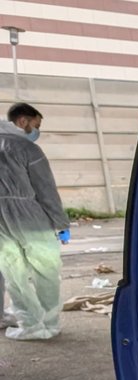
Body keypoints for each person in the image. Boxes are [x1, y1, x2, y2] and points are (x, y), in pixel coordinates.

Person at [0, 102, 68, 340]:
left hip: (0, 223)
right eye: (36, 125)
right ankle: (49, 324)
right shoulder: (28, 150)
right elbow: (46, 190)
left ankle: (30, 325)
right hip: (30, 216)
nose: (36, 131)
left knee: (13, 273)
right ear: (23, 121)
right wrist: (61, 224)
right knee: (46, 270)